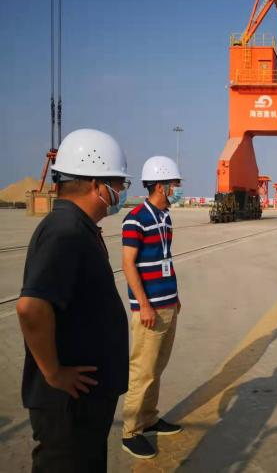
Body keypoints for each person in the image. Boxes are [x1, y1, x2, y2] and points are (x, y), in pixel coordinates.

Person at [16, 128, 132, 472]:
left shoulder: (77, 227)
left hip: (84, 401)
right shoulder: (65, 232)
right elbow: (31, 308)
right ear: (97, 185)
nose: (122, 191)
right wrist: (53, 373)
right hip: (68, 405)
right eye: (119, 183)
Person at [121, 156, 184, 459]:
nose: (177, 189)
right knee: (142, 371)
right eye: (174, 184)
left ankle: (148, 418)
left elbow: (165, 259)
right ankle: (130, 431)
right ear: (160, 185)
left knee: (157, 368)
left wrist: (176, 295)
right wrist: (144, 305)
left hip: (168, 304)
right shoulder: (135, 219)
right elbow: (128, 264)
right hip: (149, 310)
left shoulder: (165, 217)